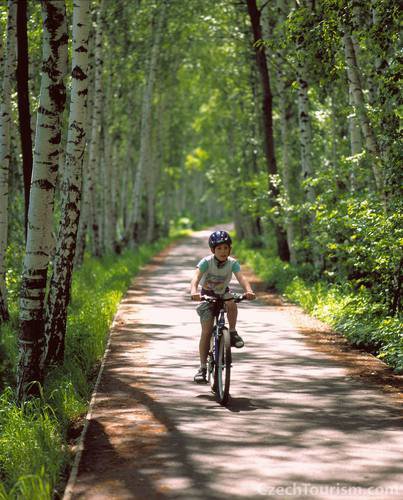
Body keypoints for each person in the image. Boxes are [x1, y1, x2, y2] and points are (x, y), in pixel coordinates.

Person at [190, 230, 255, 383]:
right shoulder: (207, 261)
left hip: (223, 293)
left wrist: (248, 291)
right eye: (219, 248)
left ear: (229, 249)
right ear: (213, 250)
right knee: (206, 332)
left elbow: (241, 277)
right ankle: (202, 367)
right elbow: (196, 277)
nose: (223, 251)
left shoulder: (232, 263)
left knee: (232, 302)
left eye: (226, 248)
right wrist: (194, 291)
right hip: (207, 295)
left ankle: (232, 332)